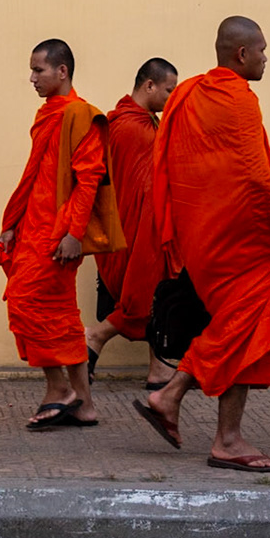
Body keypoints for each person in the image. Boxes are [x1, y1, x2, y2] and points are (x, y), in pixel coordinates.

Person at [133, 17, 270, 472]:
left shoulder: (188, 93)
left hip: (203, 238)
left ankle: (189, 411)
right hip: (242, 244)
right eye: (263, 51)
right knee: (242, 324)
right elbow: (257, 175)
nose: (267, 58)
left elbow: (169, 164)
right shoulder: (239, 101)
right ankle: (211, 429)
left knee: (239, 328)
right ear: (242, 55)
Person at [0, 39, 125, 430]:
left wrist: (73, 233)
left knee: (24, 301)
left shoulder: (81, 116)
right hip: (34, 225)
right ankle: (84, 405)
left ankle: (58, 391)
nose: (32, 78)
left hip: (57, 231)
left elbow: (89, 181)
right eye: (32, 70)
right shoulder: (49, 114)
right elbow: (36, 175)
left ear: (62, 71)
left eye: (39, 70)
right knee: (63, 315)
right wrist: (13, 224)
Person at [86, 58, 179, 389]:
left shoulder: (143, 123)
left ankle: (159, 369)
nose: (172, 97)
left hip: (138, 228)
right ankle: (95, 337)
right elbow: (147, 191)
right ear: (149, 86)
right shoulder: (131, 128)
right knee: (152, 289)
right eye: (169, 90)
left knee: (159, 293)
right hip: (135, 232)